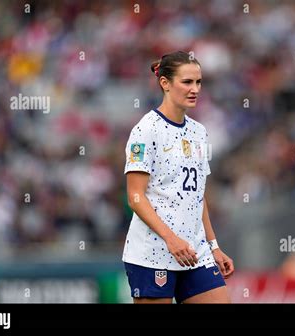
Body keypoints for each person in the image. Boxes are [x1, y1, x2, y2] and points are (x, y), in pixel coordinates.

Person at [122, 51, 234, 304]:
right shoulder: (145, 130)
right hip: (153, 252)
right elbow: (135, 196)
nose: (195, 89)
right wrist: (171, 239)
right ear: (165, 83)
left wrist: (213, 245)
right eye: (187, 82)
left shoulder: (199, 132)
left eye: (198, 82)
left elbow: (197, 195)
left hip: (195, 252)